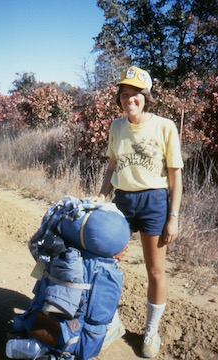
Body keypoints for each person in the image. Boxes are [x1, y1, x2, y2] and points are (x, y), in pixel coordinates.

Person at [93, 66, 183, 358]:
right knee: (107, 263)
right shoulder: (116, 127)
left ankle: (151, 331)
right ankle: (110, 323)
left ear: (146, 96)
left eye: (135, 95)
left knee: (155, 270)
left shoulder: (165, 126)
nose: (128, 99)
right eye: (123, 94)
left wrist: (173, 216)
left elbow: (174, 176)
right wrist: (101, 197)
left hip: (154, 202)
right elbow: (111, 167)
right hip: (122, 203)